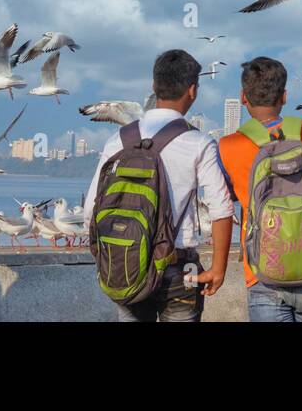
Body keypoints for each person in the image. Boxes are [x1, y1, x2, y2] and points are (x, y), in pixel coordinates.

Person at [86, 49, 234, 322]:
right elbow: (222, 209)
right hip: (181, 269)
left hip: (126, 263)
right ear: (193, 91)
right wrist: (218, 269)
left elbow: (90, 211)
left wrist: (112, 256)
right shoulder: (199, 143)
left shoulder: (118, 139)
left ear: (154, 87)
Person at [218, 56, 302, 322]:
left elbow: (228, 196)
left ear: (243, 97)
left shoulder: (228, 146)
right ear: (285, 97)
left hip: (262, 273)